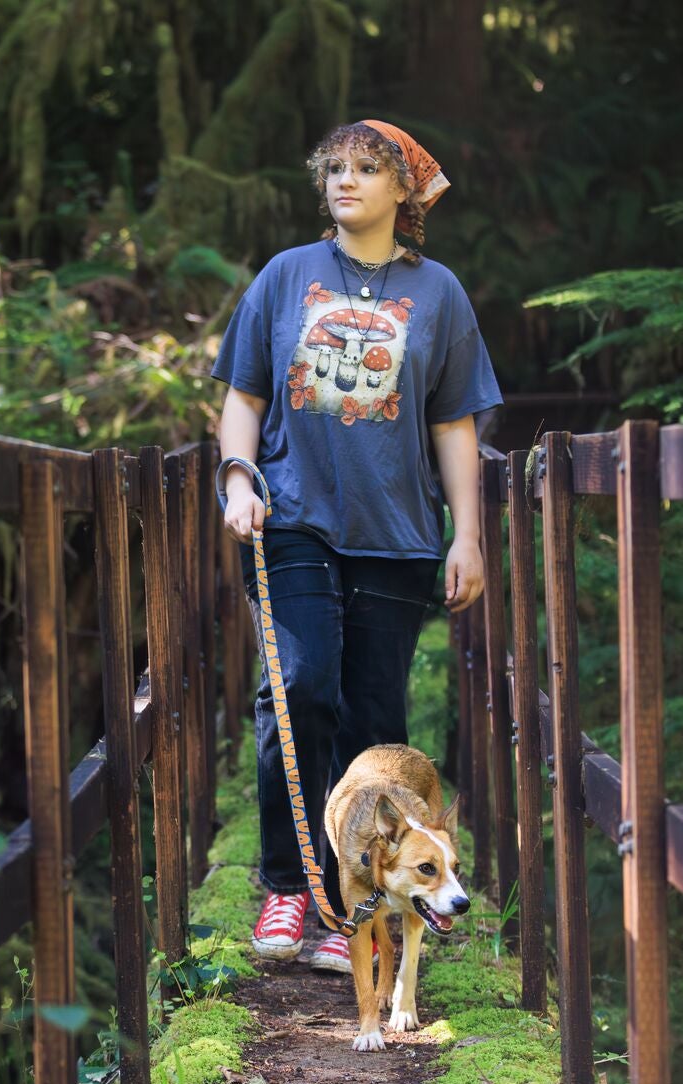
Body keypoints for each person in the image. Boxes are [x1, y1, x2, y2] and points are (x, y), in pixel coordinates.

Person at [210, 119, 499, 973]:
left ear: (403, 189)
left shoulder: (439, 292)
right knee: (298, 688)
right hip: (292, 516)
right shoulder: (285, 277)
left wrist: (468, 535)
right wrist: (235, 478)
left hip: (399, 537)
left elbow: (454, 422)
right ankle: (288, 887)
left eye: (367, 169)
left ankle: (357, 903)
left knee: (375, 726)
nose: (346, 181)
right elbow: (243, 397)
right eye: (335, 167)